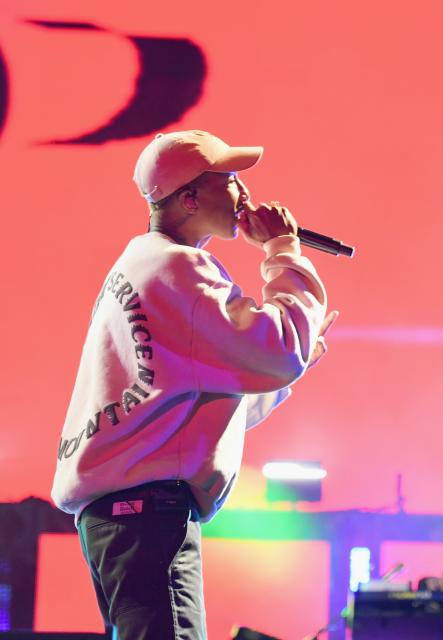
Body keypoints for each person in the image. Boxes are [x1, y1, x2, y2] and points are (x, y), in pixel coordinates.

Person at [51, 130, 338, 639]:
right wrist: (282, 247)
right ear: (188, 198)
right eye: (228, 180)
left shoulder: (143, 266)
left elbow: (194, 404)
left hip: (123, 518)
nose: (245, 194)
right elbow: (278, 350)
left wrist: (288, 364)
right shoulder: (180, 268)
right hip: (149, 517)